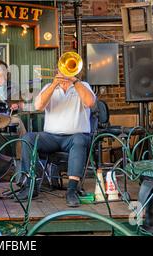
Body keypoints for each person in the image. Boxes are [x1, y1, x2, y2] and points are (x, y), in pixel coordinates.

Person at [14, 68, 96, 207]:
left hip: (75, 136)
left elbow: (89, 103)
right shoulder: (48, 87)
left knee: (79, 140)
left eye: (68, 71)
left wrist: (74, 81)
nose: (64, 74)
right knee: (28, 138)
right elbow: (39, 106)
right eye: (61, 70)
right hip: (51, 137)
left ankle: (72, 190)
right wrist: (53, 85)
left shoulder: (83, 86)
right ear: (56, 72)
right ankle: (30, 186)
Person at [0, 60, 27, 158]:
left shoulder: (14, 86)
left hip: (11, 116)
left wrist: (16, 105)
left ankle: (20, 158)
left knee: (20, 127)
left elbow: (21, 104)